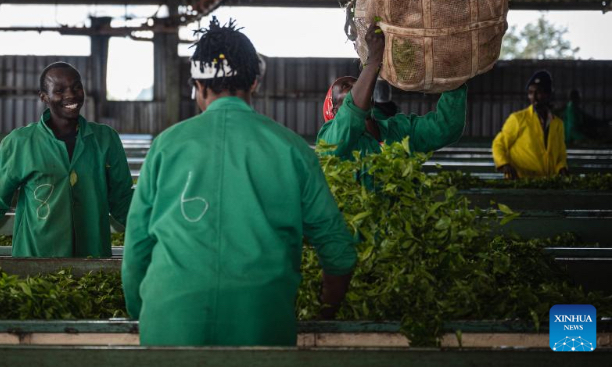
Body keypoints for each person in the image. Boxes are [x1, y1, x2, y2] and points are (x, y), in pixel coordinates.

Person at [122, 19, 357, 346]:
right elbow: (339, 253)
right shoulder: (292, 149)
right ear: (255, 83)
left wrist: (144, 312)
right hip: (262, 327)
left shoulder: (166, 146)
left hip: (170, 325)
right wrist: (324, 313)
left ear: (199, 86)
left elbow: (136, 250)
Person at [0, 62, 133, 257]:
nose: (71, 95)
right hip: (37, 256)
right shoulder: (20, 142)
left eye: (76, 87)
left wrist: (154, 230)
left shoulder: (105, 139)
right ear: (44, 97)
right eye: (59, 90)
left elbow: (122, 199)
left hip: (92, 255)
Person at [317, 21, 467, 162]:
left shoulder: (399, 130)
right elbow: (351, 114)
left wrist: (453, 76)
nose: (357, 84)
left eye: (357, 82)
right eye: (345, 87)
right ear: (336, 112)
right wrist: (374, 59)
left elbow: (446, 128)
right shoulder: (328, 141)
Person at [492, 70, 568, 179]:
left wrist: (562, 167)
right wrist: (504, 164)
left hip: (547, 184)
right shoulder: (518, 119)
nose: (534, 97)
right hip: (520, 182)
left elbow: (561, 154)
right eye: (530, 93)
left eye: (539, 92)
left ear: (548, 94)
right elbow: (498, 144)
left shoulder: (557, 124)